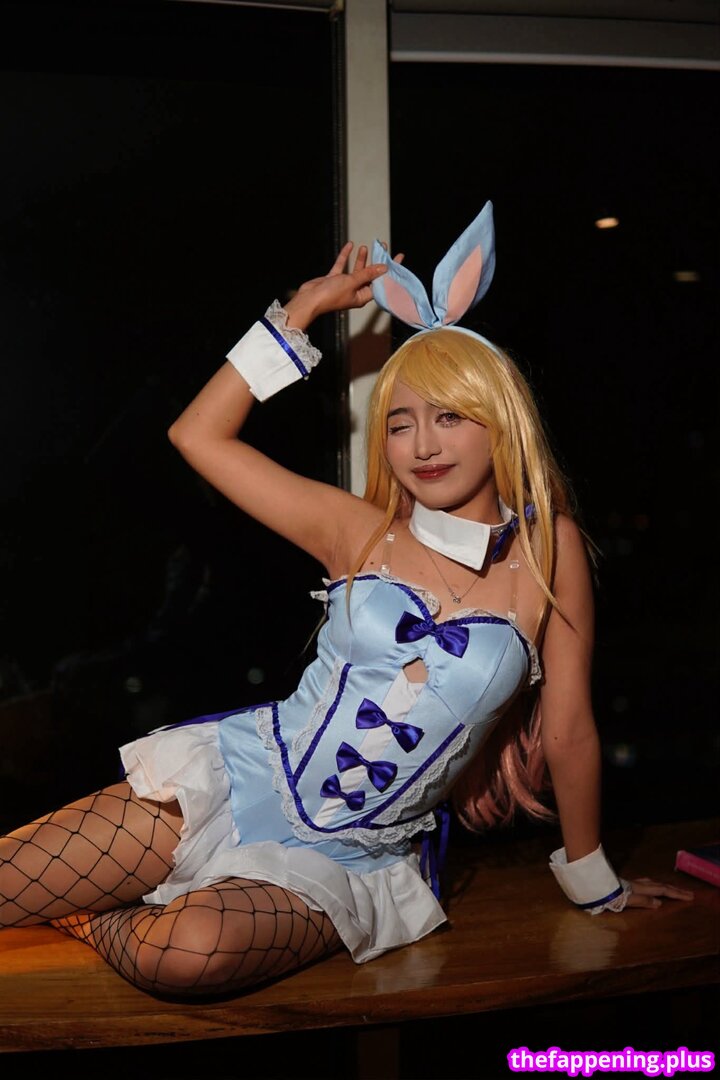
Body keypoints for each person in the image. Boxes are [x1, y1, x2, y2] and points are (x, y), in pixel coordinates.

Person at [0, 204, 692, 999]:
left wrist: (593, 877)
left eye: (449, 417)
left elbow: (568, 728)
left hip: (354, 855)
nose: (423, 445)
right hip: (237, 776)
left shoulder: (550, 551)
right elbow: (198, 436)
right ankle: (89, 896)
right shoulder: (358, 531)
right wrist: (300, 313)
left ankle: (85, 916)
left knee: (188, 955)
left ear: (499, 423)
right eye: (400, 424)